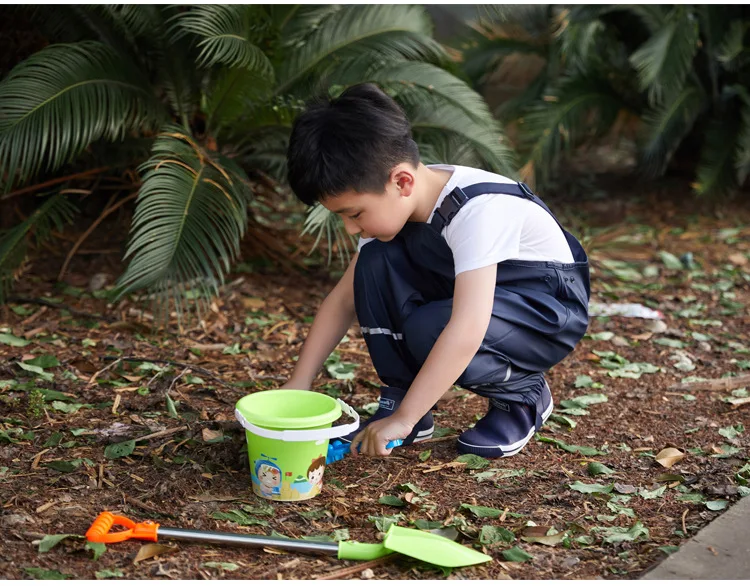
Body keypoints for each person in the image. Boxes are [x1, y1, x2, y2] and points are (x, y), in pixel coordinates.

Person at [281, 83, 590, 458]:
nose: (349, 228)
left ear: (402, 181)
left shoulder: (477, 209)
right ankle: (402, 400)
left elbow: (466, 326)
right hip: (480, 300)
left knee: (433, 327)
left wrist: (404, 420)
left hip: (545, 311)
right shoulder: (397, 206)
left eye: (354, 213)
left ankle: (521, 395)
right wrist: (297, 387)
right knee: (375, 262)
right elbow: (342, 301)